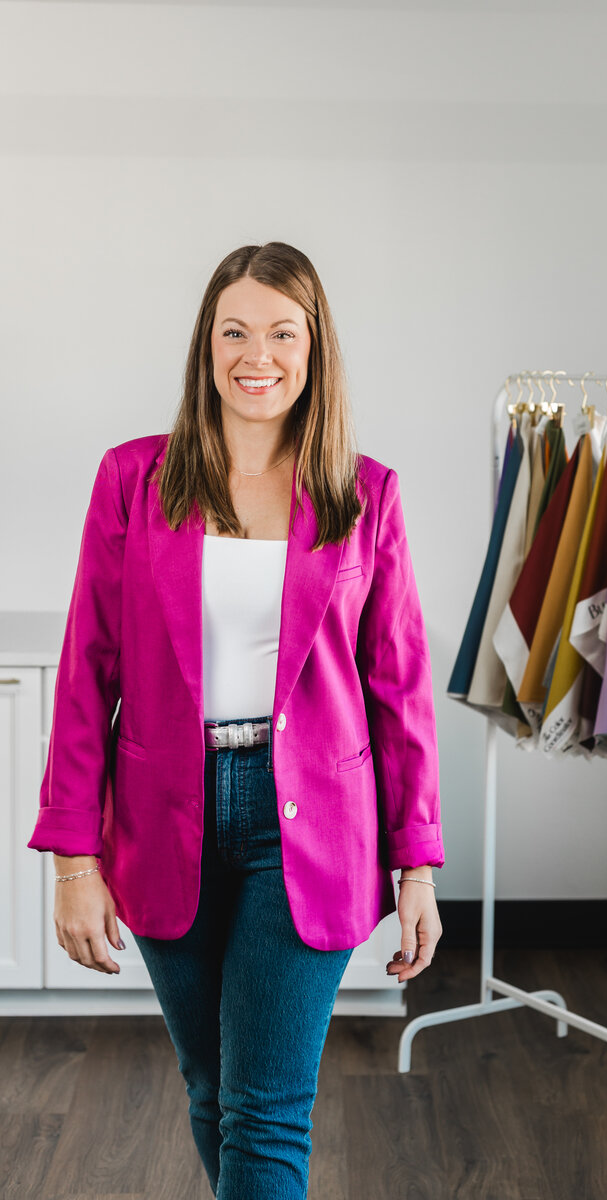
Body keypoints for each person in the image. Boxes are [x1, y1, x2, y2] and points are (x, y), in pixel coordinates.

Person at [27, 241, 445, 1199]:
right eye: (235, 331)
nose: (258, 355)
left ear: (315, 349)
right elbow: (89, 673)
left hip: (314, 830)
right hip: (162, 814)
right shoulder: (133, 480)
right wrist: (73, 860)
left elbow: (400, 693)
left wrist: (415, 866)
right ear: (206, 347)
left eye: (283, 332)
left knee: (265, 1111)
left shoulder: (364, 494)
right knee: (212, 1090)